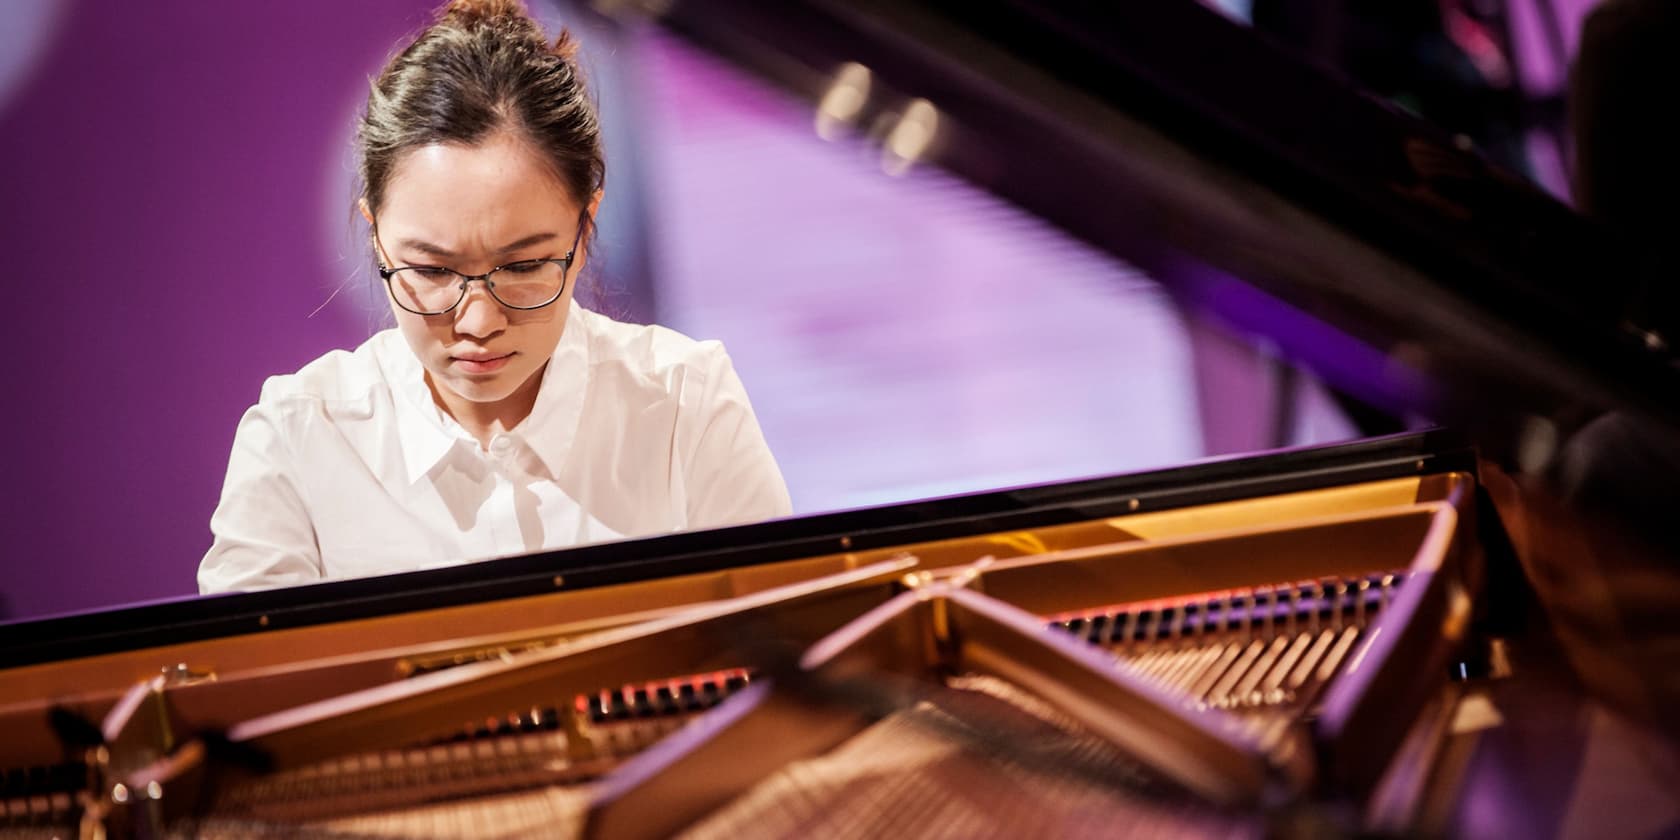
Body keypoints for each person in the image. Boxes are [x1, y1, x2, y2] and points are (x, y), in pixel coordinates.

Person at [199, 0, 791, 593]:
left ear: (585, 230)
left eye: (525, 265)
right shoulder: (299, 435)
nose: (478, 322)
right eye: (432, 270)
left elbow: (789, 646)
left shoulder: (685, 404)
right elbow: (240, 681)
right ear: (376, 237)